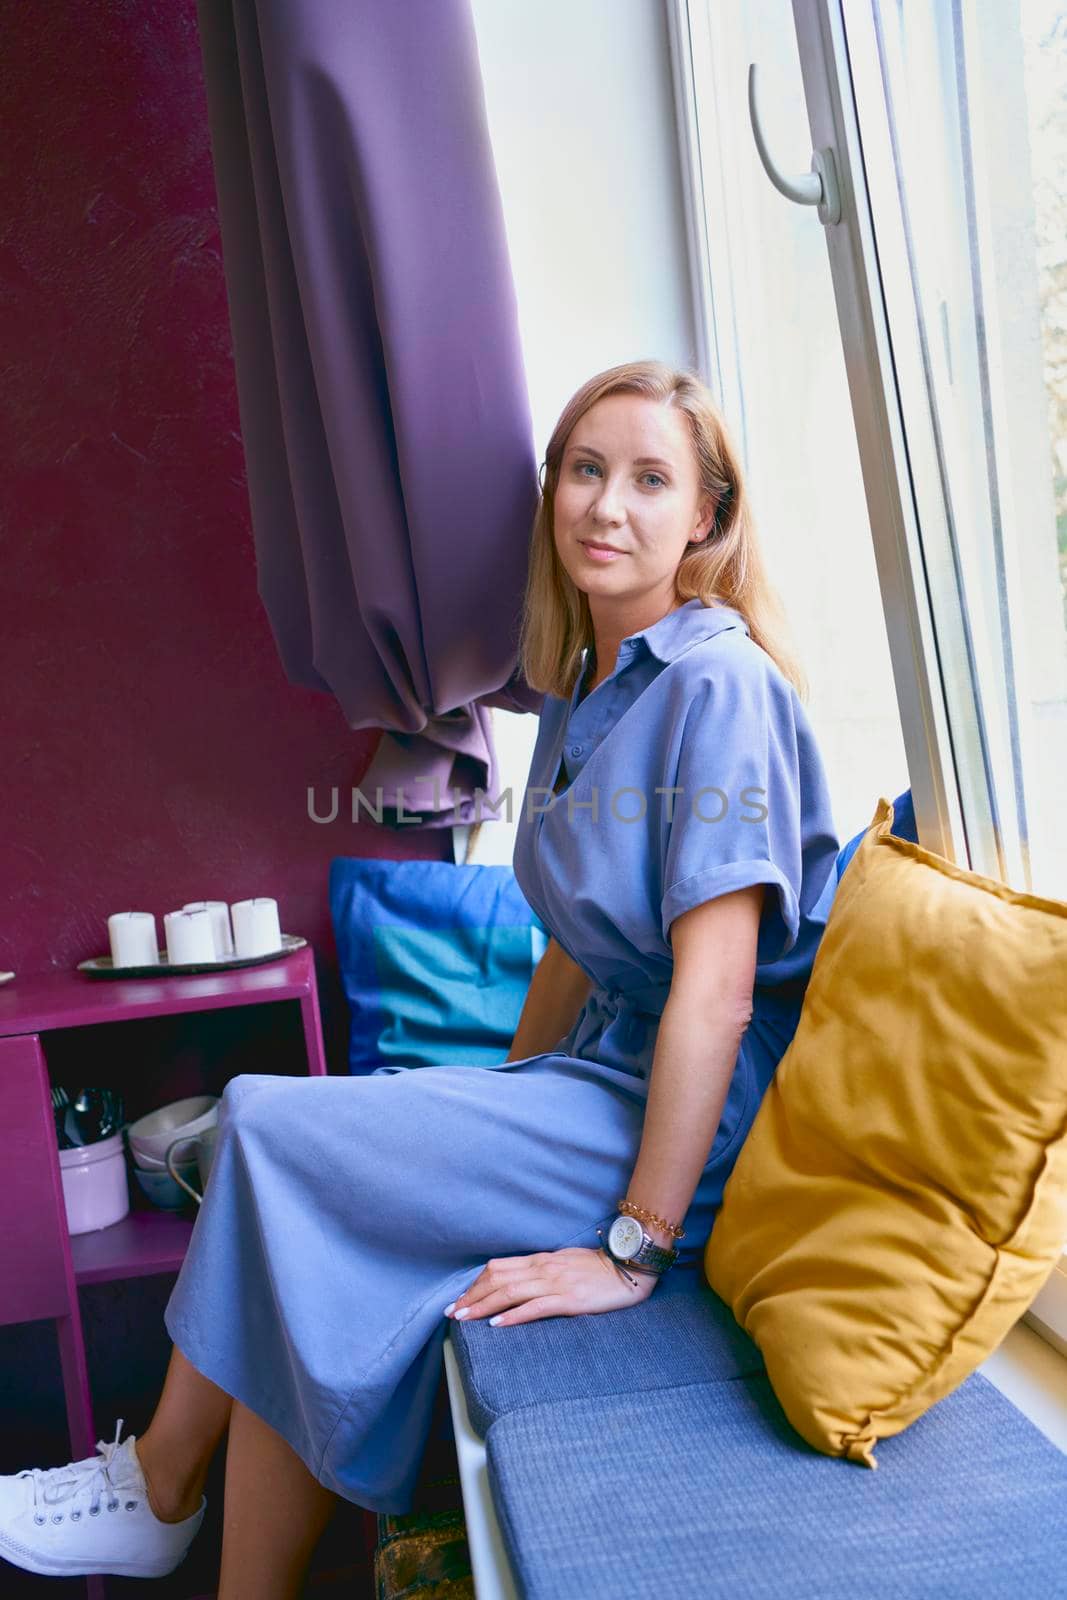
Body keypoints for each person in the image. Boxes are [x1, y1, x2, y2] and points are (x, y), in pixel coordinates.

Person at [0, 359, 840, 1596]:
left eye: (650, 480)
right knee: (308, 1252)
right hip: (591, 1083)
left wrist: (630, 1249)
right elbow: (570, 942)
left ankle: (161, 1489)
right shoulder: (586, 688)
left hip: (700, 1123)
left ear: (704, 518)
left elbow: (714, 993)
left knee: (264, 1123)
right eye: (584, 469)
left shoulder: (717, 685)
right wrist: (479, 1109)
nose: (606, 505)